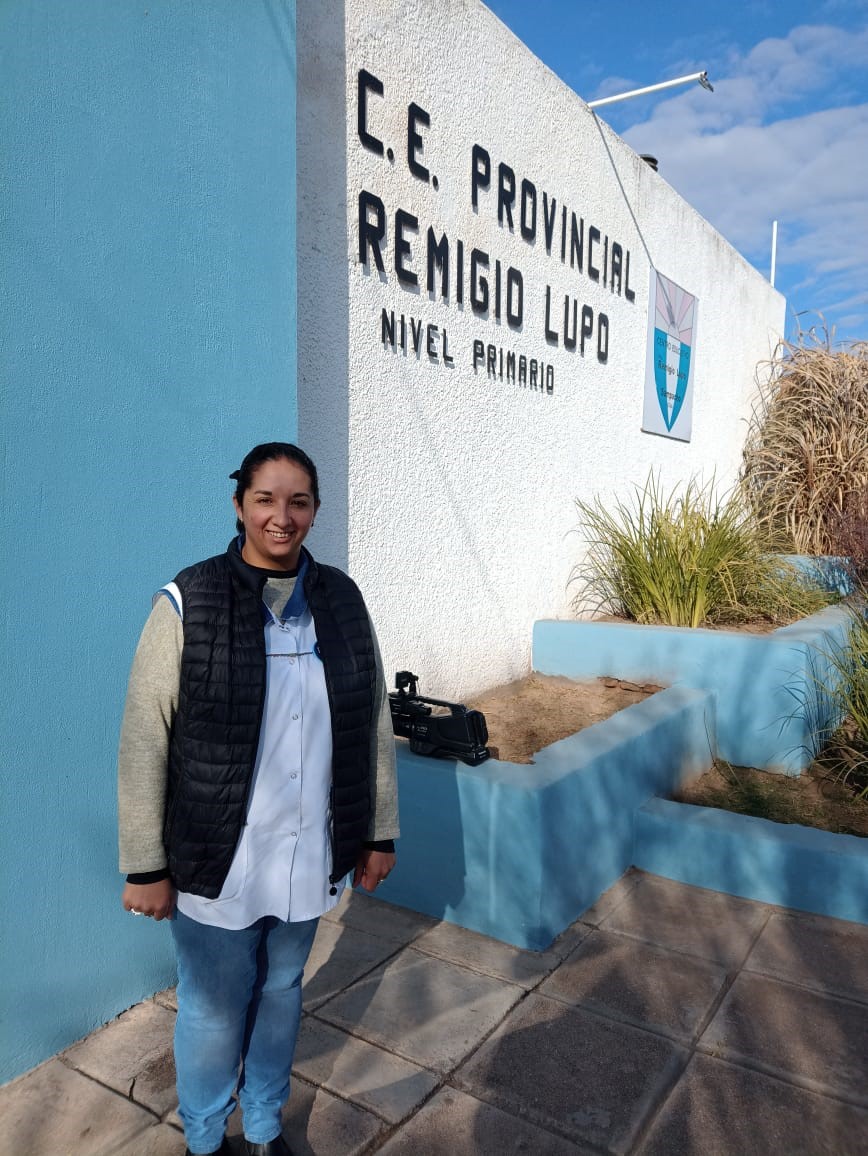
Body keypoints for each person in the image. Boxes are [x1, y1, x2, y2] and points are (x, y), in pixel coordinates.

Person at [118, 443, 398, 1156]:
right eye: (266, 499)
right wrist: (145, 864)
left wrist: (378, 832)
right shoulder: (189, 600)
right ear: (239, 504)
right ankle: (206, 1139)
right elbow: (146, 735)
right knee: (213, 1009)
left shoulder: (341, 600)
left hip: (309, 848)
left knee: (280, 992)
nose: (282, 516)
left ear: (315, 511)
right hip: (218, 855)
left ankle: (266, 1128)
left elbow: (371, 719)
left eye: (298, 501)